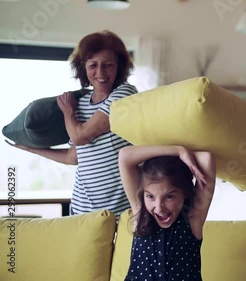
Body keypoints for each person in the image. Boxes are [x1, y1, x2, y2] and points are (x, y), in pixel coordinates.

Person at [7, 30, 138, 217]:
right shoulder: (81, 104)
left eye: (108, 65)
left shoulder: (124, 95)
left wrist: (68, 113)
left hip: (121, 211)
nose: (100, 72)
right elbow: (73, 157)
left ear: (119, 67)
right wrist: (30, 148)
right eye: (93, 65)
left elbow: (80, 137)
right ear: (83, 67)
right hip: (81, 210)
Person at [118, 145, 215, 281]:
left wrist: (183, 159)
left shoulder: (192, 219)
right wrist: (179, 151)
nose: (159, 208)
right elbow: (124, 156)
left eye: (169, 197)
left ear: (185, 193)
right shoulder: (141, 214)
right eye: (150, 196)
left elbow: (206, 158)